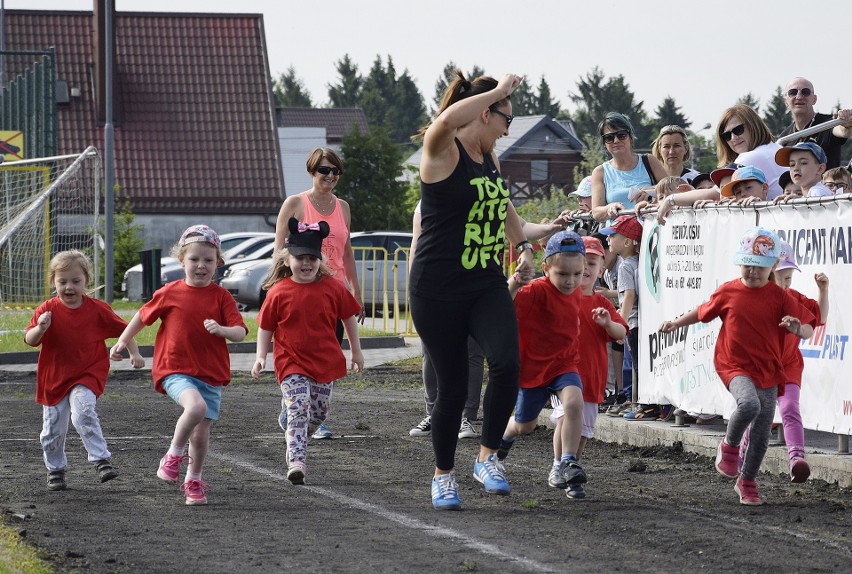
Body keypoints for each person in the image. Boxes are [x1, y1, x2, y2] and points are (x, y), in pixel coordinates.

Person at [410, 70, 534, 511]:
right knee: (454, 389)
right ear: (487, 112)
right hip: (436, 288)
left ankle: (486, 458)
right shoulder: (441, 151)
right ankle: (443, 475)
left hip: (484, 282)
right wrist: (500, 89)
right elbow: (443, 122)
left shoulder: (493, 163)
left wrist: (553, 229)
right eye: (506, 118)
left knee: (506, 362)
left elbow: (515, 227)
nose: (507, 128)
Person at [659, 227, 814, 505]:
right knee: (750, 406)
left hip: (767, 368)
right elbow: (703, 311)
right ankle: (729, 446)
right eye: (747, 265)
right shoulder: (729, 291)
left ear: (774, 266)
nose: (753, 272)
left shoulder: (780, 297)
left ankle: (747, 480)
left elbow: (807, 330)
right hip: (733, 364)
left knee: (762, 429)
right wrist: (676, 322)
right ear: (739, 263)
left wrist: (796, 328)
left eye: (760, 266)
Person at [111, 225, 248, 506]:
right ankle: (172, 455)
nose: (201, 266)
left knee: (200, 433)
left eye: (208, 260)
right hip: (175, 369)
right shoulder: (169, 292)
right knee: (195, 408)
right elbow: (141, 316)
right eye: (194, 259)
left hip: (211, 374)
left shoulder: (221, 297)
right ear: (181, 261)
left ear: (218, 264)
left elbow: (240, 332)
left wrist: (223, 330)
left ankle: (193, 480)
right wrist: (124, 341)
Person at [252, 218, 364, 485]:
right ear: (287, 259)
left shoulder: (333, 287)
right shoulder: (278, 292)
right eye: (300, 257)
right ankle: (297, 459)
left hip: (325, 362)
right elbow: (265, 327)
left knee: (318, 412)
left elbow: (349, 317)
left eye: (312, 259)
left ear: (319, 261)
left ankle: (289, 420)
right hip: (291, 363)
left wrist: (356, 351)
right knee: (300, 409)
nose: (306, 264)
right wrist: (260, 356)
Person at [25, 250, 144, 491]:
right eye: (62, 281)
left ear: (86, 281)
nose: (69, 287)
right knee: (52, 432)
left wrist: (134, 353)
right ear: (53, 282)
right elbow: (30, 340)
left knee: (83, 411)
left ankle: (101, 459)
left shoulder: (98, 310)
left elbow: (125, 331)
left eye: (75, 281)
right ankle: (55, 470)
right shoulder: (47, 310)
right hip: (54, 377)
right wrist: (40, 328)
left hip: (87, 373)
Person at [274, 147, 365, 440]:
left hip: (333, 294)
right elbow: (279, 251)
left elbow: (347, 254)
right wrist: (280, 288)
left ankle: (316, 414)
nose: (330, 176)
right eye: (325, 170)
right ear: (312, 171)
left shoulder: (344, 208)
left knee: (328, 354)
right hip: (300, 293)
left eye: (336, 171)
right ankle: (292, 402)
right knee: (298, 352)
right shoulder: (295, 203)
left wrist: (355, 291)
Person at [497, 231, 591, 498]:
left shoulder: (576, 289)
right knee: (525, 426)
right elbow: (502, 303)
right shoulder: (536, 291)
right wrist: (516, 280)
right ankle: (504, 440)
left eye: (577, 274)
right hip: (533, 368)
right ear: (546, 268)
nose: (570, 281)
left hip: (564, 364)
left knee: (574, 403)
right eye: (562, 274)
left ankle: (568, 461)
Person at [738, 241, 827, 483]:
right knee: (757, 416)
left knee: (789, 408)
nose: (786, 284)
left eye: (788, 278)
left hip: (788, 365)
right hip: (761, 368)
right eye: (781, 278)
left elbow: (820, 317)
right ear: (767, 273)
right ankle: (743, 453)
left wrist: (823, 291)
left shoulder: (794, 298)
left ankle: (796, 459)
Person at [547, 235, 627, 498]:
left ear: (601, 270)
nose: (587, 270)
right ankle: (559, 465)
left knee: (583, 430)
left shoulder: (602, 304)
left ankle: (572, 470)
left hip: (592, 377)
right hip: (563, 376)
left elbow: (620, 333)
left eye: (593, 263)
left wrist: (606, 323)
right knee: (566, 418)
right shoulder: (558, 297)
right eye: (585, 263)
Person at [601, 215, 654, 419]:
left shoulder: (624, 266)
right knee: (637, 364)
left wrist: (620, 325)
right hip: (641, 320)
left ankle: (639, 404)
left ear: (626, 241)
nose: (607, 240)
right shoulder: (638, 261)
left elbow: (629, 295)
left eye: (612, 235)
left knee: (634, 365)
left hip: (632, 322)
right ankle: (638, 402)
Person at [590, 112, 667, 221]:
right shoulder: (600, 172)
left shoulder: (649, 161)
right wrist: (609, 208)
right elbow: (596, 213)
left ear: (630, 137)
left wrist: (652, 191)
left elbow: (671, 189)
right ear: (604, 143)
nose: (616, 141)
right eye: (609, 137)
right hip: (618, 233)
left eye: (621, 135)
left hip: (650, 231)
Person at [715, 104, 787, 199]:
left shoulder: (753, 156)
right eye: (727, 135)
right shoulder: (774, 147)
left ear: (753, 126)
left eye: (738, 130)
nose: (733, 138)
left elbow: (715, 195)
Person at [778, 77, 852, 169]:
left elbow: (843, 131)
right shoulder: (784, 138)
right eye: (793, 92)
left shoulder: (828, 124)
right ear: (786, 101)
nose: (799, 97)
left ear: (814, 99)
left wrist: (846, 124)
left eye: (805, 92)